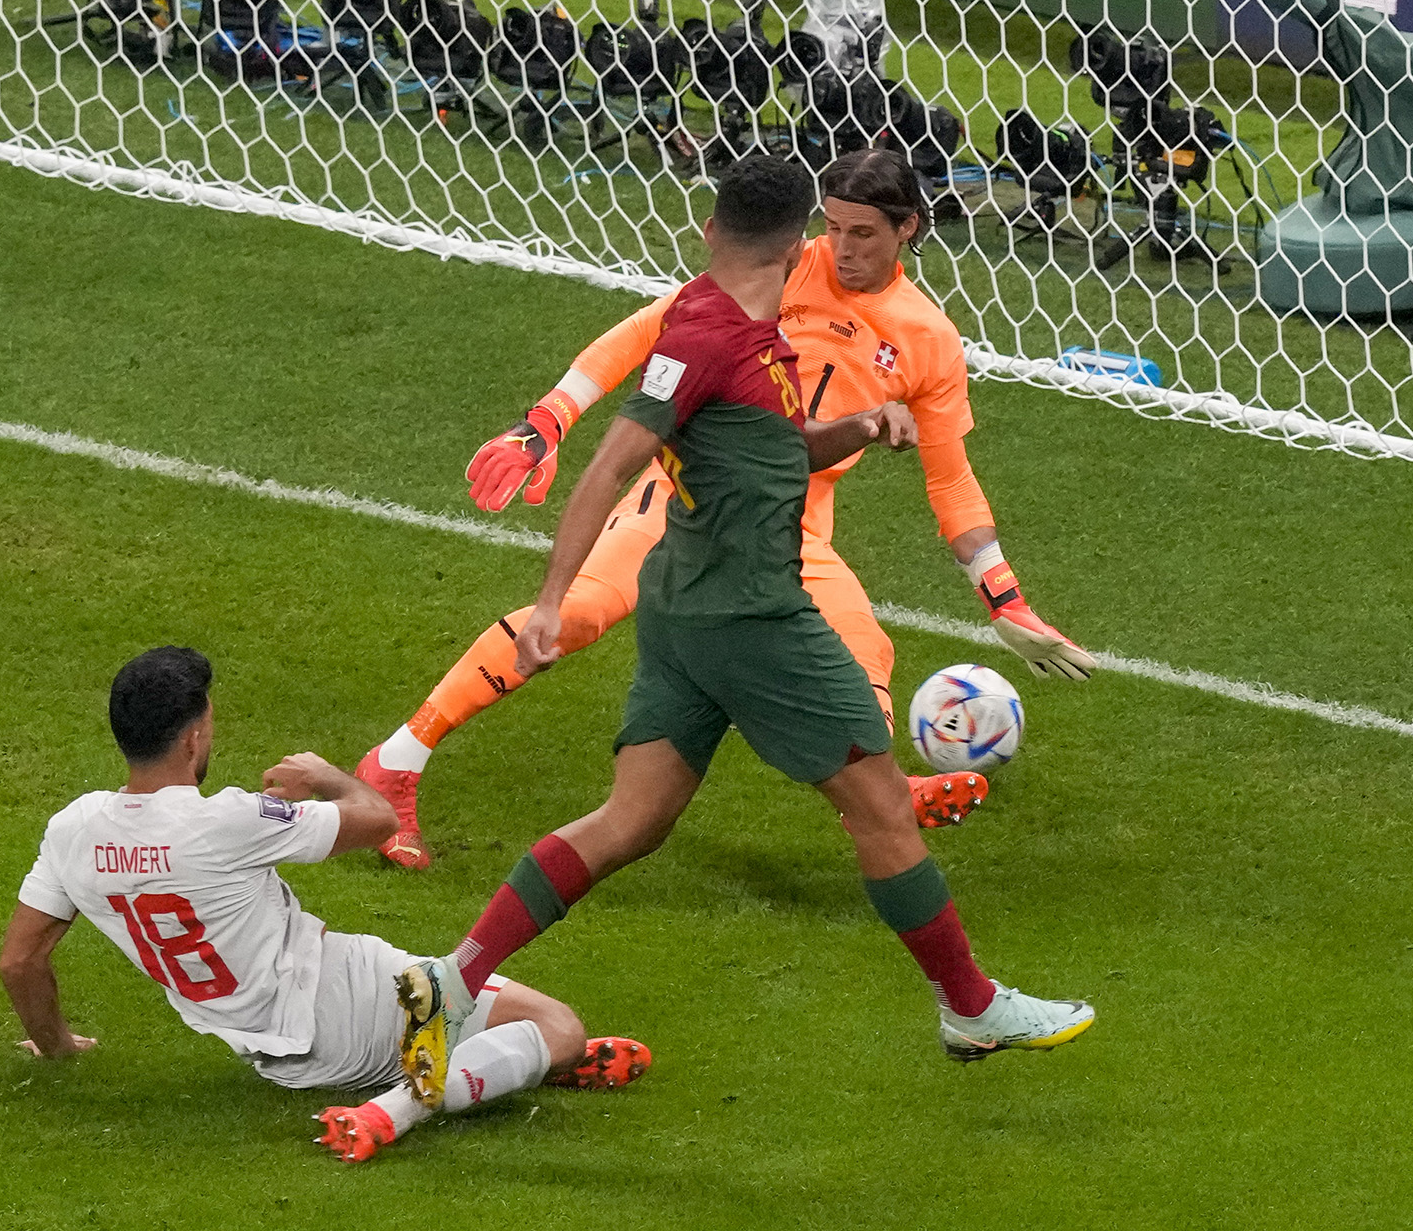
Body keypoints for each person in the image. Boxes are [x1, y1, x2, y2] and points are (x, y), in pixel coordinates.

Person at [390, 156, 1092, 1108]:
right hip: (756, 611)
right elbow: (613, 463)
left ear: (716, 233)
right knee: (883, 806)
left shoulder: (749, 334)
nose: (841, 250)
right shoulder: (721, 333)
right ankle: (969, 1005)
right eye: (830, 232)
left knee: (631, 822)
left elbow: (780, 446)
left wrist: (861, 431)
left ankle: (455, 975)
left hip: (683, 602)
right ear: (799, 237)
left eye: (863, 233)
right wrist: (551, 588)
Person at [0, 646, 650, 1164]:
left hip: (277, 1059)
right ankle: (402, 1106)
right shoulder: (226, 821)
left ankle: (491, 1065)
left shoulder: (74, 830)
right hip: (348, 999)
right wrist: (328, 777)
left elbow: (20, 962)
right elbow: (376, 820)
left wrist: (57, 1046)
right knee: (559, 1027)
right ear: (193, 739)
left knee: (517, 1034)